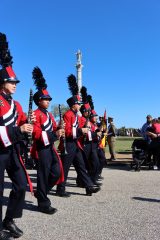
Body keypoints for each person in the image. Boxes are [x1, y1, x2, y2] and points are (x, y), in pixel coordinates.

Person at [0, 33, 34, 239]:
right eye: (12, 82)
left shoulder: (17, 104)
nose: (15, 85)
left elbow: (21, 123)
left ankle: (9, 219)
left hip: (12, 150)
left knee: (21, 185)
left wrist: (27, 124)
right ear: (2, 82)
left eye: (16, 82)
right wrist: (18, 130)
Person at [56, 74, 100, 197]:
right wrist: (81, 131)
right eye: (78, 103)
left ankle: (88, 186)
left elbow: (84, 125)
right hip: (68, 144)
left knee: (81, 166)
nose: (80, 105)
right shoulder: (68, 115)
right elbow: (68, 131)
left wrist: (86, 122)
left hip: (76, 144)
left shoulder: (77, 116)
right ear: (73, 104)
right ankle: (60, 189)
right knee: (64, 168)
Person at [31, 67, 64, 214]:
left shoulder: (49, 114)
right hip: (41, 148)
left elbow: (54, 127)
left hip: (50, 147)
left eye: (49, 99)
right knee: (42, 176)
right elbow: (37, 134)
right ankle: (43, 203)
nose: (48, 101)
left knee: (56, 172)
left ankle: (41, 192)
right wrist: (56, 134)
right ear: (39, 100)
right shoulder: (35, 114)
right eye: (45, 99)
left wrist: (60, 127)